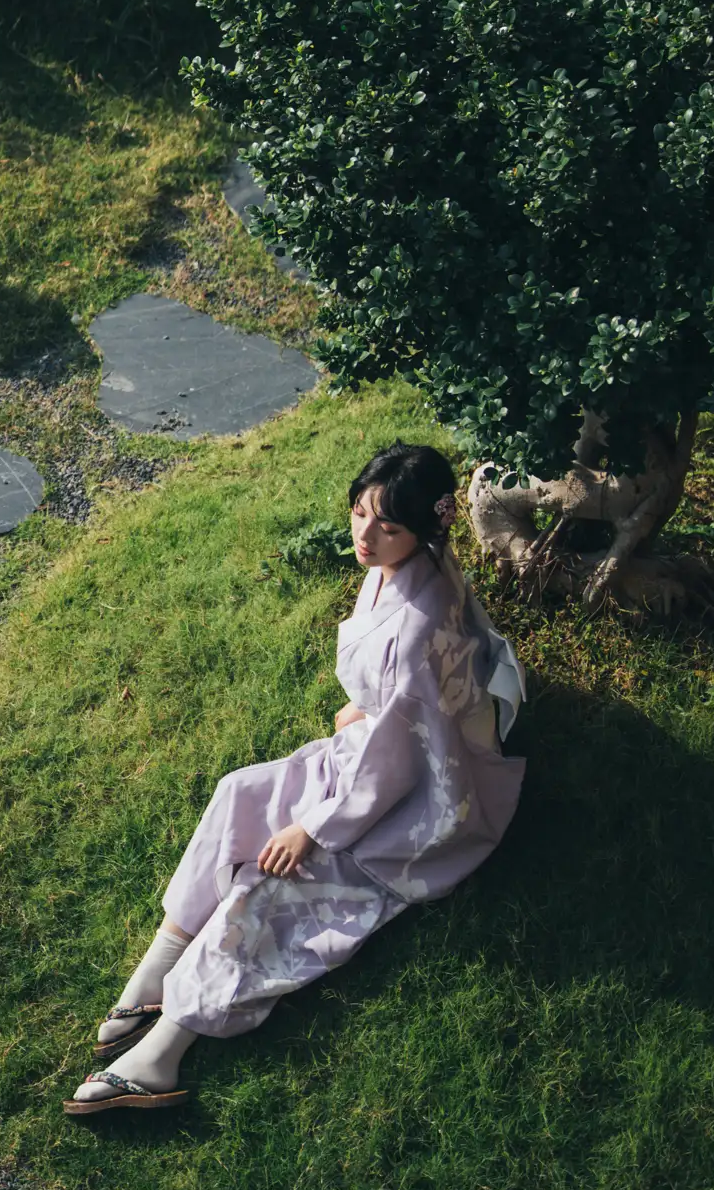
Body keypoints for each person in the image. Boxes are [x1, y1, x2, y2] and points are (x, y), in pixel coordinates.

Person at [64, 441, 526, 1117]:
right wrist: (374, 709)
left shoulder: (416, 625)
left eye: (388, 526)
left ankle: (162, 1053)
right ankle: (162, 963)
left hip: (424, 794)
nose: (366, 535)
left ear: (425, 530)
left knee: (277, 887)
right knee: (239, 792)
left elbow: (397, 766)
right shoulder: (414, 567)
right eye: (361, 513)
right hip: (389, 743)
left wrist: (313, 825)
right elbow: (415, 702)